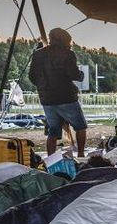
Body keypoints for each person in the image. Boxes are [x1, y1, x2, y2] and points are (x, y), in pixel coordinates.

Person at [28, 28, 88, 156]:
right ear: (65, 40)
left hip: (47, 100)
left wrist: (43, 87)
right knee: (80, 126)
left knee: (53, 131)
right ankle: (81, 155)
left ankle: (51, 158)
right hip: (66, 97)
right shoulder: (67, 54)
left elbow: (32, 76)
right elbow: (73, 74)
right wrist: (81, 75)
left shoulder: (37, 54)